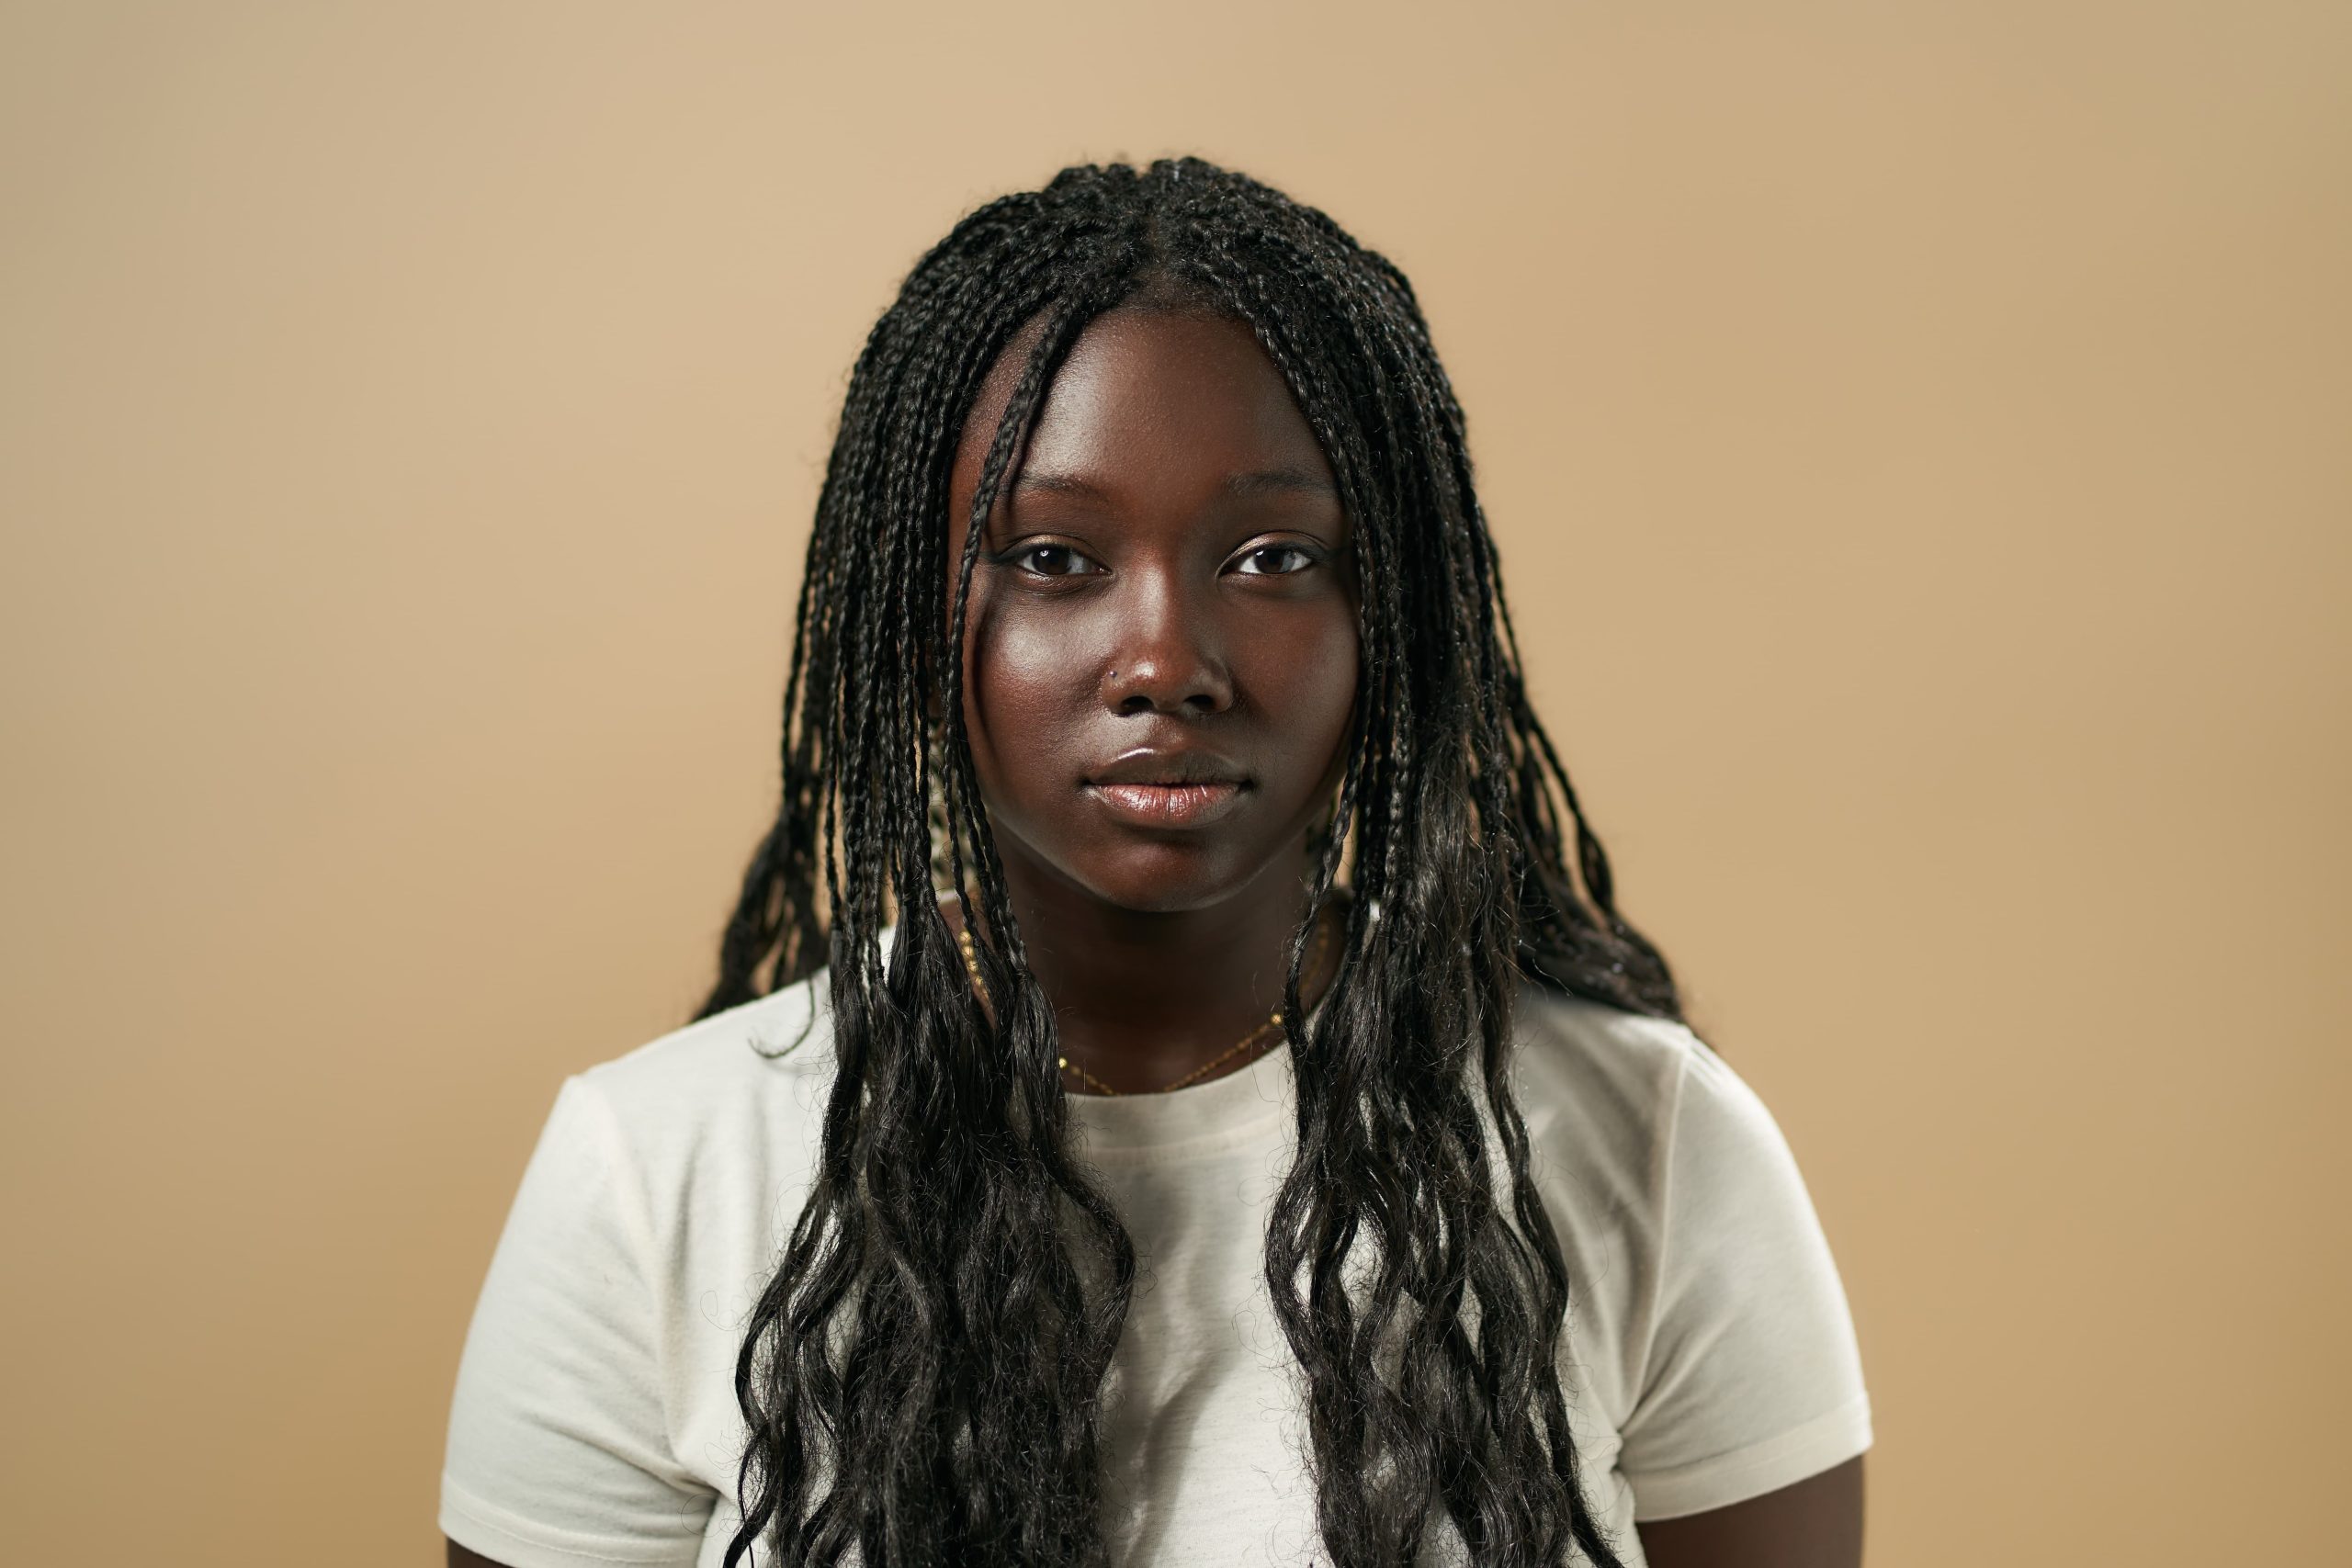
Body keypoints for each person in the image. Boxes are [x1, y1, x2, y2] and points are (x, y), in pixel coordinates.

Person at [441, 158, 1871, 1568]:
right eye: (1055, 559)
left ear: (1397, 616)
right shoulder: (653, 1179)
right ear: (910, 614)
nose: (1166, 662)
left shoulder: (1652, 1149)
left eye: (1270, 558)